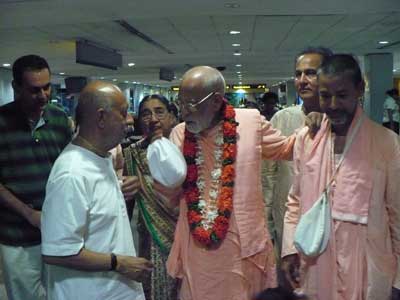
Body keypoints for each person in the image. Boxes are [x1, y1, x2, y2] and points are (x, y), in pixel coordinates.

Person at [165, 66, 296, 300]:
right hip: (198, 249)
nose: (184, 112)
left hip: (243, 247)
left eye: (191, 104)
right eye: (180, 103)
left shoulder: (249, 122)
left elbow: (287, 148)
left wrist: (319, 124)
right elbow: (171, 192)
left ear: (216, 101)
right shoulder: (179, 133)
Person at [282, 54, 400, 299]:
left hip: (368, 261)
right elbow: (295, 200)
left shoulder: (387, 143)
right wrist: (289, 249)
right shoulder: (307, 139)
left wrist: (398, 280)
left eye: (342, 95)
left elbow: (397, 217)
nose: (333, 104)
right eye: (325, 95)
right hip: (317, 260)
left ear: (360, 89)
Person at [41, 81, 152, 300]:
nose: (130, 120)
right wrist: (118, 262)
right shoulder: (72, 173)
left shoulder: (99, 157)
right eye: (123, 113)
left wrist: (117, 190)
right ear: (101, 118)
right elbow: (57, 252)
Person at [0, 54, 72, 300]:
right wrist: (28, 213)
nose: (43, 96)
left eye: (47, 87)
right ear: (16, 87)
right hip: (17, 236)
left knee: (62, 294)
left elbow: (69, 170)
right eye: (34, 90)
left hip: (58, 231)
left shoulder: (60, 119)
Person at [262, 47, 333, 277]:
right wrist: (268, 230)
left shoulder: (345, 123)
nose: (302, 80)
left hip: (331, 230)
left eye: (311, 73)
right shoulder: (283, 119)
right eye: (298, 74)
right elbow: (268, 177)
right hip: (288, 230)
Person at [123, 94, 180, 300]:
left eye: (159, 112)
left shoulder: (186, 147)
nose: (153, 119)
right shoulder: (132, 153)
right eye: (146, 114)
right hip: (149, 235)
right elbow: (127, 204)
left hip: (186, 235)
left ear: (172, 117)